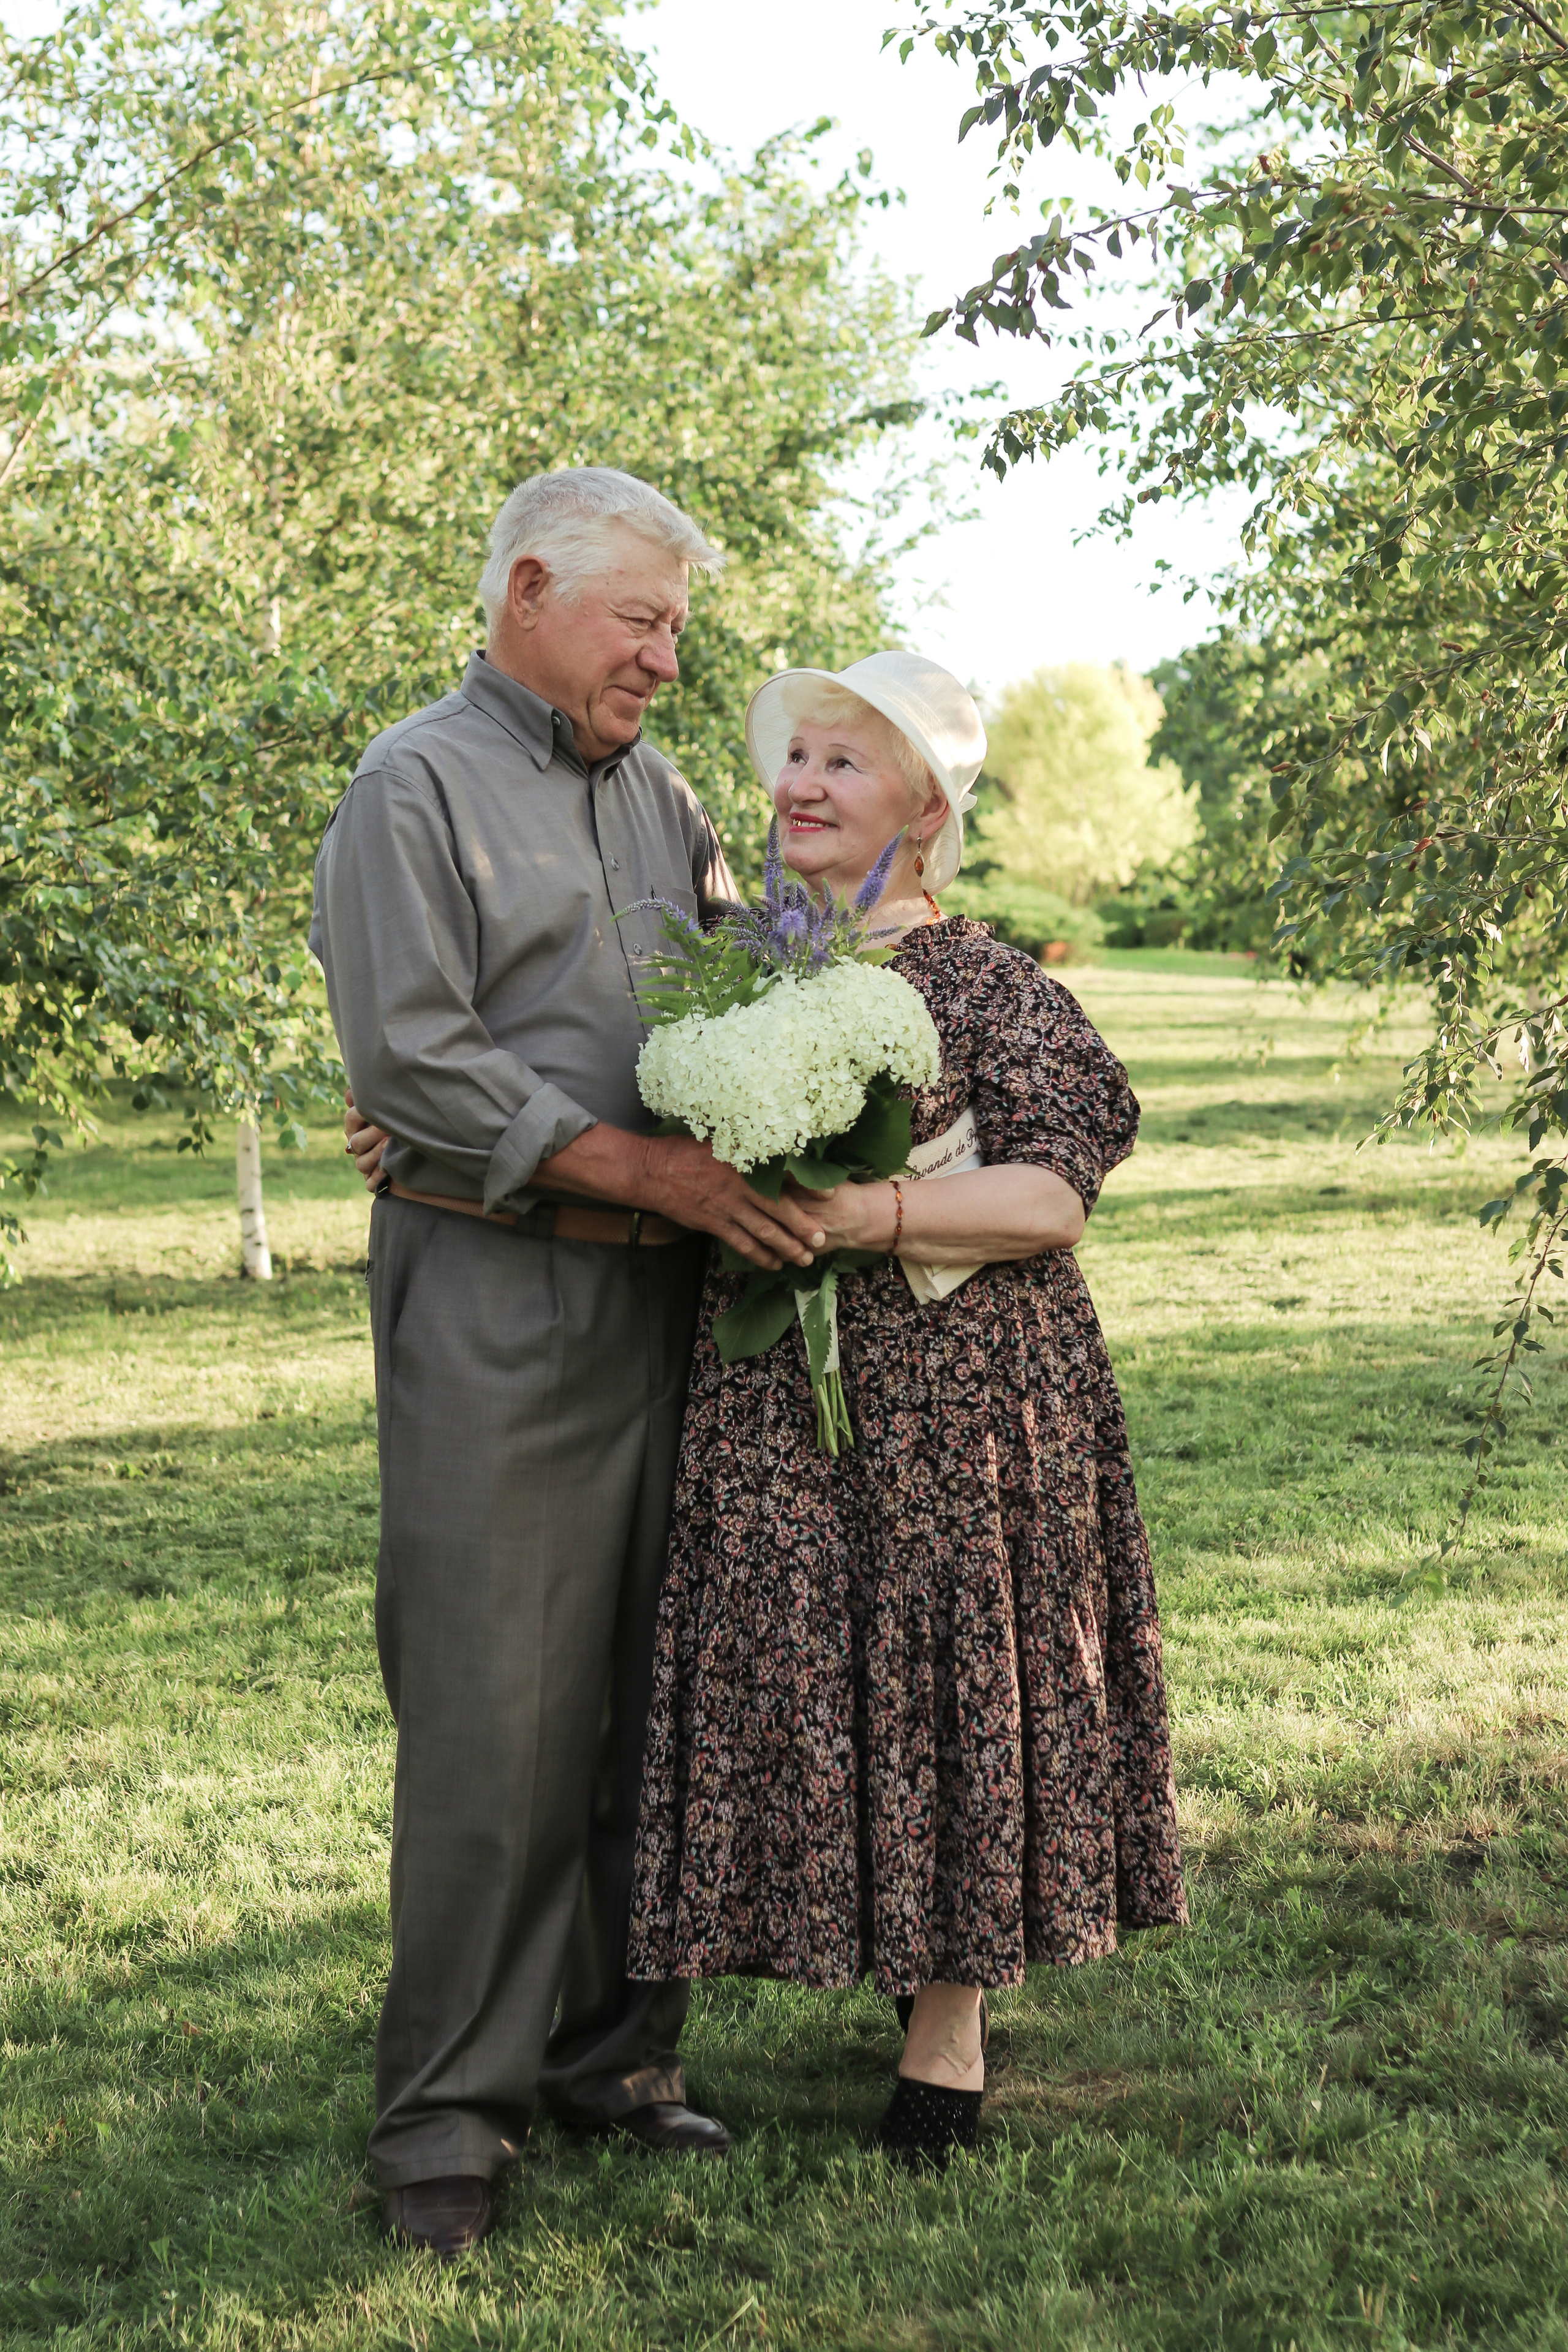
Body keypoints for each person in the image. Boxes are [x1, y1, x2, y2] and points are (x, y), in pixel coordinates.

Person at [311, 467, 831, 2258]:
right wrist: (642, 1171)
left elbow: (724, 1013)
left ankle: (612, 2060)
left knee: (641, 1703)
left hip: (672, 1312)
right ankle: (445, 2123)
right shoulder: (413, 788)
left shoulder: (667, 799)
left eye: (677, 624)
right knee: (494, 1721)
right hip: (501, 1304)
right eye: (643, 620)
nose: (668, 657)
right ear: (531, 589)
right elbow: (419, 1064)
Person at [624, 652, 1188, 2165]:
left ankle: (946, 2028)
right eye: (794, 758)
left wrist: (866, 1213)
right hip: (777, 1407)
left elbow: (1052, 1198)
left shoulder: (986, 983)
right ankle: (825, 1938)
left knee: (950, 1675)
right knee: (814, 1668)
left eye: (843, 766)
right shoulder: (744, 970)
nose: (800, 785)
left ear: (924, 812)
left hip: (962, 1405)